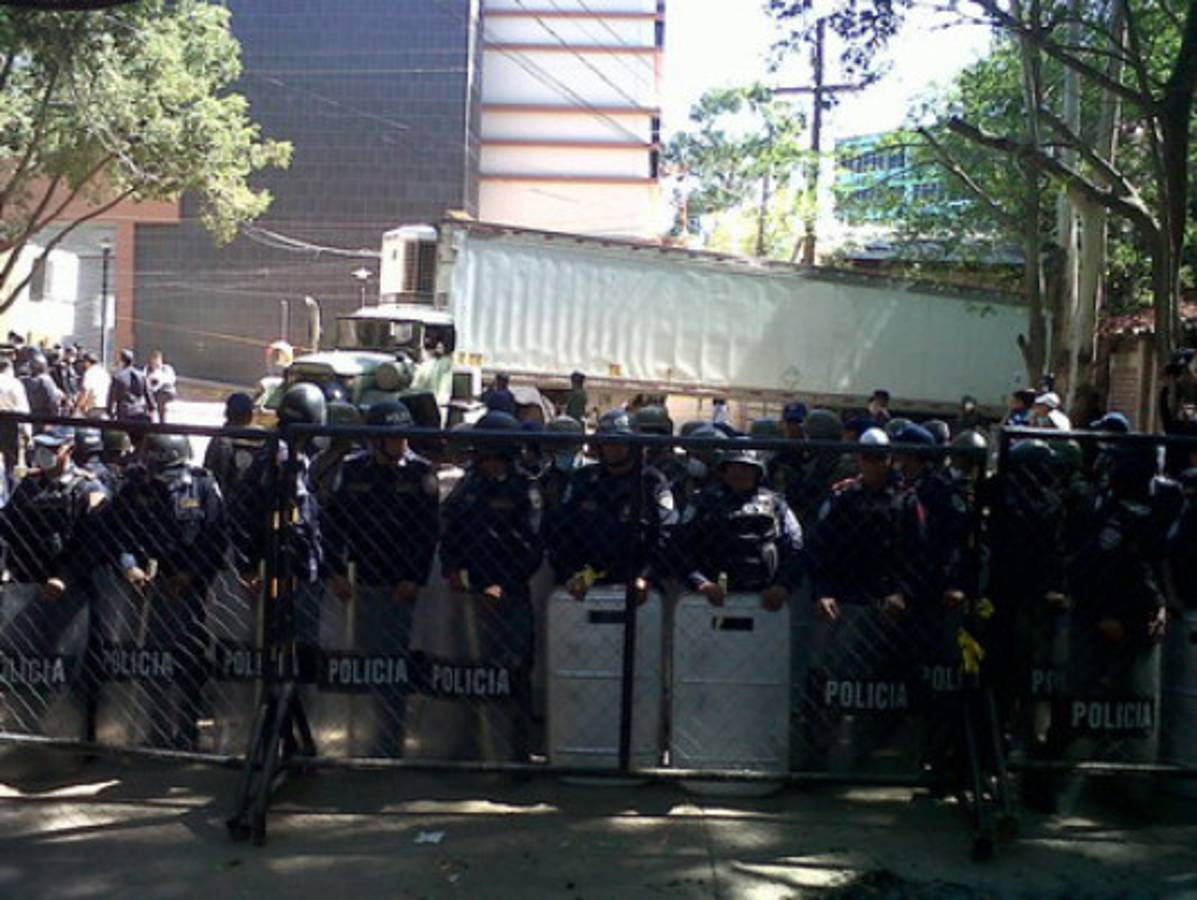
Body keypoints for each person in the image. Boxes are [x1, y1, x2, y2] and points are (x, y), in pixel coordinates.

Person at [325, 401, 439, 757]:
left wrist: (413, 577)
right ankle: (361, 735)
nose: (400, 442)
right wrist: (335, 571)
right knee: (364, 661)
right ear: (375, 439)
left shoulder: (420, 473)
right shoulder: (352, 470)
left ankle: (390, 740)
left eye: (404, 436)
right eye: (392, 437)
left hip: (400, 585)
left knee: (394, 663)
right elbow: (332, 524)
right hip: (361, 582)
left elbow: (427, 533)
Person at [108, 432, 225, 749]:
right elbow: (117, 533)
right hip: (145, 587)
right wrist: (130, 567)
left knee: (189, 660)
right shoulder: (135, 488)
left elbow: (215, 537)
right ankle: (153, 729)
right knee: (151, 661)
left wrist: (190, 573)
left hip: (191, 589)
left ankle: (186, 730)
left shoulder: (201, 485)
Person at [439, 410, 543, 759]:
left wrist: (503, 585)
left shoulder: (524, 488)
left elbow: (532, 547)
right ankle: (472, 748)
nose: (487, 462)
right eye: (483, 455)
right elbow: (449, 527)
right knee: (469, 672)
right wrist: (451, 567)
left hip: (509, 596)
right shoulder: (470, 484)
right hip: (470, 595)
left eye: (493, 455)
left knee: (513, 673)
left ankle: (515, 754)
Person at [0, 426, 108, 732]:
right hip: (27, 586)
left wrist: (65, 577)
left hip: (71, 593)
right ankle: (28, 726)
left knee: (72, 666)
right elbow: (9, 526)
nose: (43, 454)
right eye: (41, 448)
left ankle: (76, 732)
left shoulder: (86, 488)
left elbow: (93, 543)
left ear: (68, 450)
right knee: (29, 665)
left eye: (52, 448)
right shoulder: (29, 486)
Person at [547, 409, 677, 601]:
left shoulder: (652, 482)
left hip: (636, 583)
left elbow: (667, 532)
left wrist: (647, 576)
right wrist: (569, 573)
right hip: (586, 582)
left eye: (619, 442)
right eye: (607, 442)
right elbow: (561, 530)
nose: (612, 448)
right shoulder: (584, 479)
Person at [674, 444, 803, 611]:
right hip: (712, 595)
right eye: (733, 467)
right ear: (724, 470)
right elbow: (680, 545)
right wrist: (701, 582)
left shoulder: (776, 503)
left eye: (746, 468)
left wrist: (783, 585)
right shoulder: (703, 501)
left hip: (766, 596)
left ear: (758, 472)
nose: (739, 473)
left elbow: (795, 546)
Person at [203, 392, 266, 496]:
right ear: (250, 414)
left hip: (225, 497)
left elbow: (208, 469)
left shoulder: (220, 439)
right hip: (258, 497)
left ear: (227, 413)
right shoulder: (263, 436)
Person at [0, 356, 30, 478]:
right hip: (9, 424)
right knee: (10, 462)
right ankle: (8, 483)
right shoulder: (14, 383)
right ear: (9, 368)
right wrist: (27, 432)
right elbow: (23, 409)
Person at [107, 348, 154, 422]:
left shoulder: (117, 377)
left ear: (122, 361)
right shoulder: (142, 375)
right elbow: (148, 393)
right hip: (140, 410)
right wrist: (151, 408)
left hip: (124, 412)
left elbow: (112, 396)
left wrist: (109, 411)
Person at [23, 350, 64, 426]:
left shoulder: (26, 381)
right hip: (42, 417)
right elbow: (53, 401)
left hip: (35, 416)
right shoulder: (44, 380)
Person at [75, 351, 111, 418]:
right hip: (104, 406)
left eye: (84, 362)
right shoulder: (105, 372)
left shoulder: (89, 373)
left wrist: (77, 407)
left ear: (87, 362)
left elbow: (85, 392)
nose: (83, 364)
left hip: (92, 408)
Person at [146, 350, 177, 424]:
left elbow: (171, 380)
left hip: (167, 391)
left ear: (161, 360)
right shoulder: (147, 369)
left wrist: (159, 380)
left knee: (160, 399)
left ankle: (162, 422)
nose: (155, 363)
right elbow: (146, 380)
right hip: (152, 391)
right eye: (153, 361)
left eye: (157, 361)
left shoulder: (167, 368)